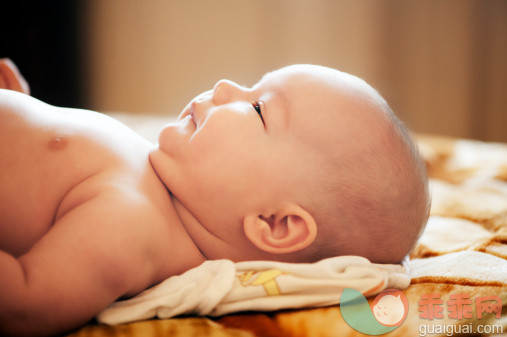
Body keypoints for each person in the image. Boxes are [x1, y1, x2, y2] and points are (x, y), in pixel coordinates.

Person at [0, 59, 429, 336]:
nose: (224, 85)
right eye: (251, 85)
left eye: (258, 108)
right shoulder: (161, 187)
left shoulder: (129, 228)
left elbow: (24, 303)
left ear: (274, 224)